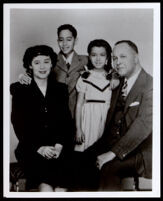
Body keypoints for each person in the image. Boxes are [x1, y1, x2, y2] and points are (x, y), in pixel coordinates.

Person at [86, 40, 152, 191]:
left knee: (108, 168)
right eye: (115, 58)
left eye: (123, 57)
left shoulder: (151, 85)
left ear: (136, 58)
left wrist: (112, 153)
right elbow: (87, 59)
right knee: (79, 160)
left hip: (138, 152)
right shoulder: (118, 82)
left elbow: (143, 126)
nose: (117, 62)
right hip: (109, 143)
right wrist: (29, 74)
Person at [10, 45, 74, 191]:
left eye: (46, 61)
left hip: (59, 148)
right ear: (29, 66)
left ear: (52, 63)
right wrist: (39, 148)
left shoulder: (61, 89)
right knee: (46, 187)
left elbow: (66, 123)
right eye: (37, 62)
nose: (42, 66)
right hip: (31, 149)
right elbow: (18, 124)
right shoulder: (20, 90)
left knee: (61, 189)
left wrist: (59, 146)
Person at [18, 24, 88, 118]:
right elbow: (33, 73)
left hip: (79, 115)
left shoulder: (85, 60)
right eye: (61, 40)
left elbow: (105, 70)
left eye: (69, 39)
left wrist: (114, 76)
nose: (65, 44)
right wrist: (22, 76)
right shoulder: (50, 61)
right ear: (57, 41)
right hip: (55, 114)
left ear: (76, 40)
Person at [74, 39, 119, 152]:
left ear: (107, 57)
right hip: (88, 119)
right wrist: (78, 129)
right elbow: (79, 105)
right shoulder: (85, 77)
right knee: (86, 153)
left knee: (103, 151)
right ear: (89, 56)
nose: (98, 59)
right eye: (94, 55)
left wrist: (115, 76)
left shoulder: (113, 78)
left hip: (106, 118)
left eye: (102, 55)